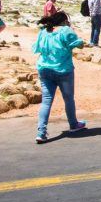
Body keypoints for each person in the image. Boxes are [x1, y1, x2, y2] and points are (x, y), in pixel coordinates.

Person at [33, 11, 86, 144]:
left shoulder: (44, 31)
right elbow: (78, 44)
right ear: (64, 21)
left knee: (46, 100)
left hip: (44, 68)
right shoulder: (65, 30)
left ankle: (41, 132)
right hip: (63, 69)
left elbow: (37, 48)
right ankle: (73, 124)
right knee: (68, 98)